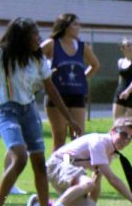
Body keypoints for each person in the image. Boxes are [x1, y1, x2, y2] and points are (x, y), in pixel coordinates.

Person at [0, 17, 81, 206]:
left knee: (39, 163)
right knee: (19, 158)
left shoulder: (38, 60)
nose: (38, 38)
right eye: (33, 34)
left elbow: (51, 89)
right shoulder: (2, 56)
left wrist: (69, 119)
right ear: (21, 37)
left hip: (29, 112)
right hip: (6, 111)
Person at [24, 116, 132, 206]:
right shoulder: (99, 142)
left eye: (130, 137)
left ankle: (42, 204)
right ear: (113, 131)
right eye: (123, 134)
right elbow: (112, 179)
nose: (126, 140)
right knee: (87, 183)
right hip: (58, 164)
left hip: (69, 170)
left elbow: (97, 177)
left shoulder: (111, 152)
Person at [41, 13, 100, 150]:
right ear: (65, 27)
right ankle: (56, 170)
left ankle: (73, 170)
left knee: (78, 137)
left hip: (77, 96)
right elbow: (33, 60)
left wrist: (82, 77)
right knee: (60, 138)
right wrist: (44, 76)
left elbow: (95, 65)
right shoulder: (52, 44)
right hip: (56, 96)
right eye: (75, 24)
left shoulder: (81, 46)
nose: (78, 27)